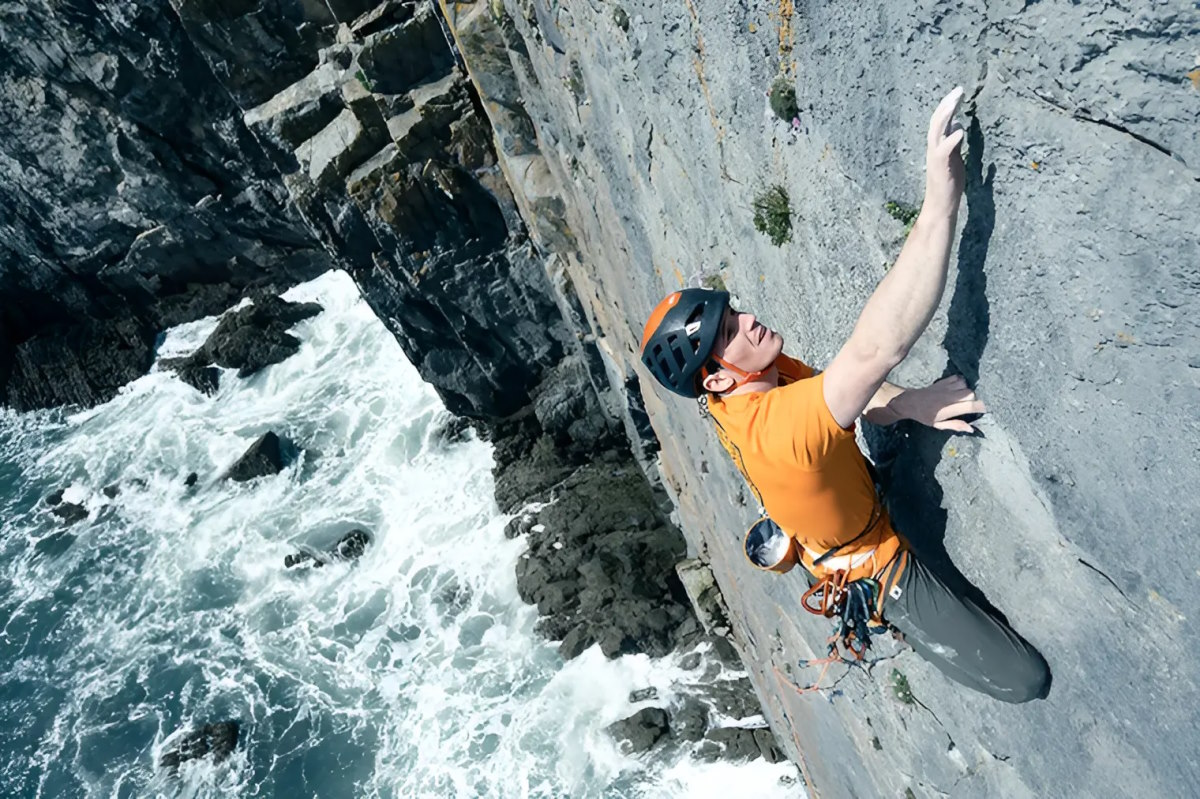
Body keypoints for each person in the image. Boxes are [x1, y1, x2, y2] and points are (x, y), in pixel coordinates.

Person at [639, 88, 1049, 703]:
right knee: (1024, 680)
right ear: (718, 379)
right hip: (870, 564)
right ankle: (896, 615)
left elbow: (848, 389)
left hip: (830, 504)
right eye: (728, 333)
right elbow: (873, 350)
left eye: (733, 313)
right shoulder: (777, 426)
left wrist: (909, 403)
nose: (747, 320)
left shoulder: (753, 382)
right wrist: (941, 203)